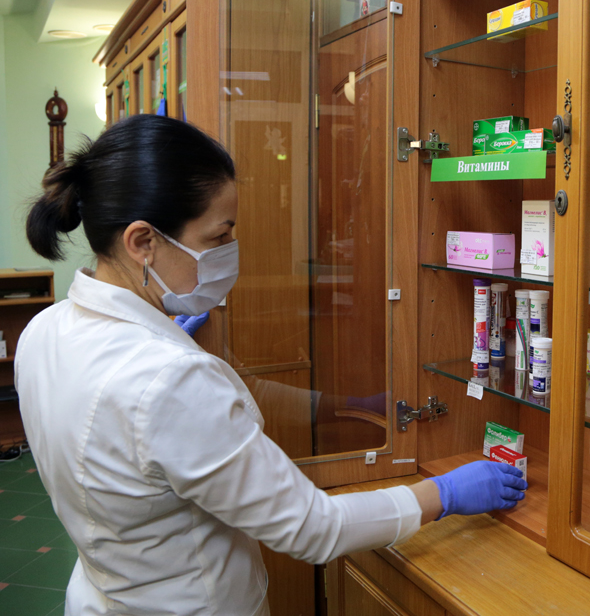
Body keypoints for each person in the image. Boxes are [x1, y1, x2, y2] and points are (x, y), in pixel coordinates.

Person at [15, 115, 527, 616]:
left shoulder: (45, 330)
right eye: (218, 237)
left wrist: (341, 404)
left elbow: (201, 422)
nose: (230, 251)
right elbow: (315, 527)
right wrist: (441, 493)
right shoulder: (166, 378)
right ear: (143, 242)